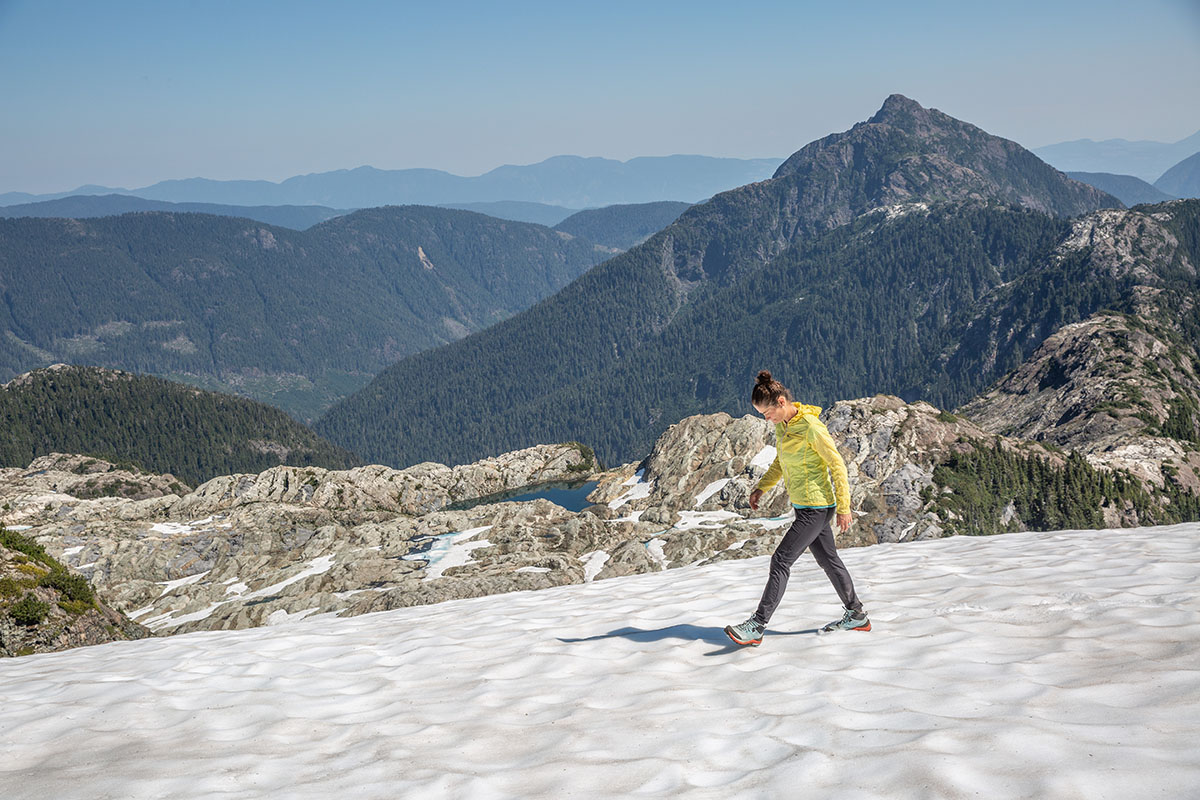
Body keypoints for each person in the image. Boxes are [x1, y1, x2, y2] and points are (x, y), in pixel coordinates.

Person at [724, 370, 870, 647]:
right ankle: (856, 615)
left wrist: (844, 507)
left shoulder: (812, 427)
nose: (766, 419)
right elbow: (781, 461)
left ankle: (757, 625)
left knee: (780, 561)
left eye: (767, 413)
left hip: (817, 507)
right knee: (829, 561)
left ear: (781, 402)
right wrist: (761, 487)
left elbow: (837, 464)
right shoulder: (784, 426)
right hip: (805, 507)